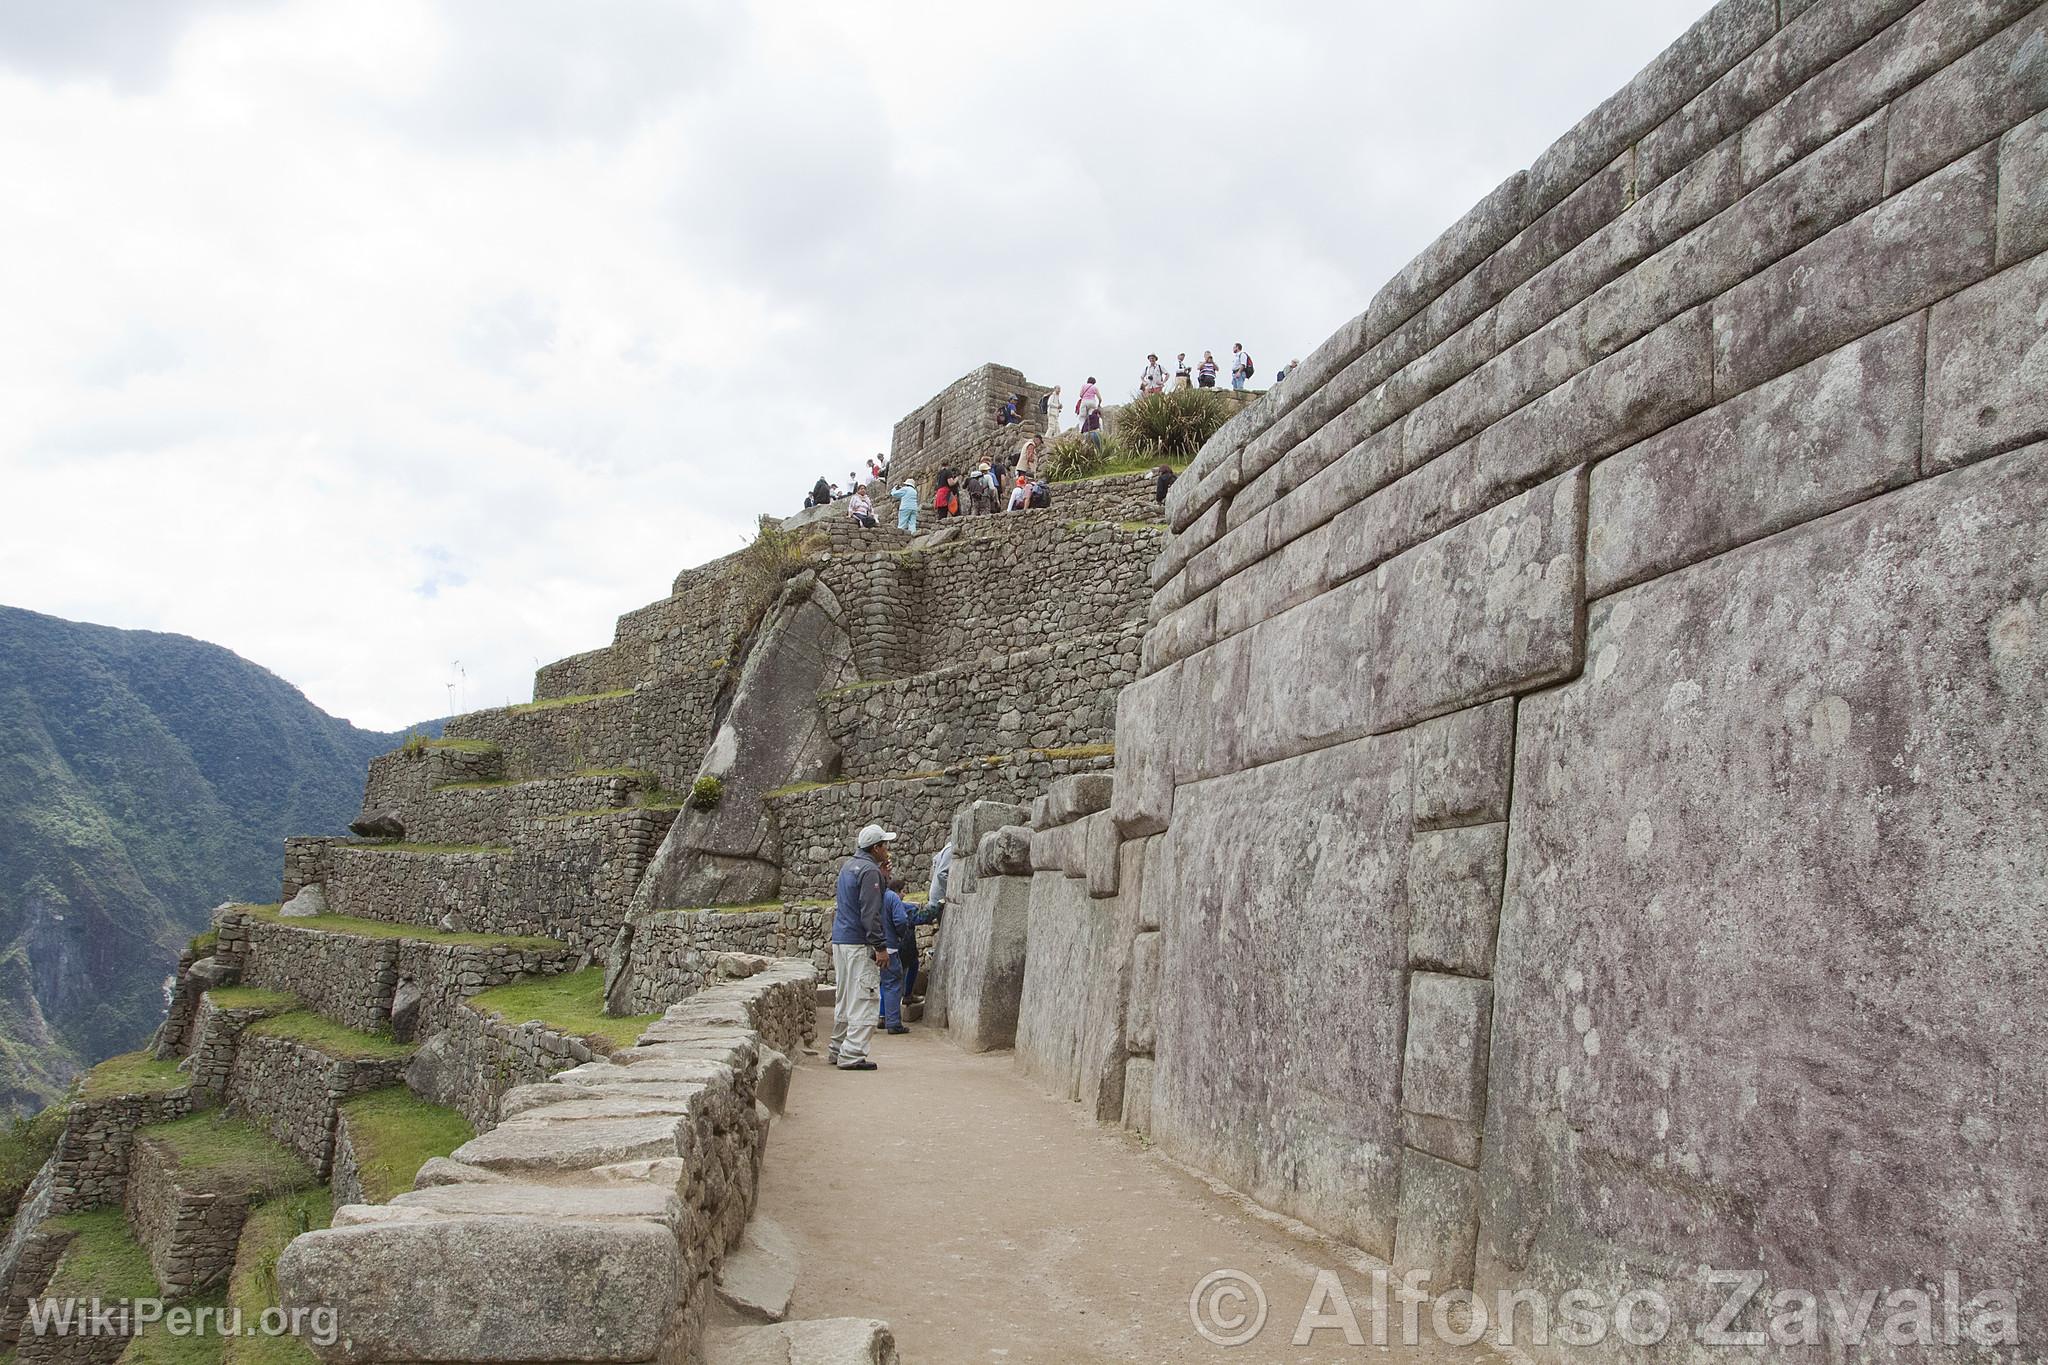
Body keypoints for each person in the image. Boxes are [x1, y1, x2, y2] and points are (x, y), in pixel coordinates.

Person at [829, 823, 896, 1070]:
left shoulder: (849, 867)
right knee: (865, 996)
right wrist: (880, 946)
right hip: (859, 942)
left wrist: (884, 878)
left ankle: (837, 1048)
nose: (887, 849)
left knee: (845, 997)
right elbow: (870, 911)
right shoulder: (869, 872)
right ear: (876, 848)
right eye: (884, 845)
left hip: (842, 939)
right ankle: (853, 1053)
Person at [878, 878, 940, 1033]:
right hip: (900, 947)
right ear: (897, 891)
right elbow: (914, 919)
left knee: (885, 983)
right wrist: (937, 908)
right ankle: (904, 1000)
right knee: (900, 976)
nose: (905, 894)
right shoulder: (900, 905)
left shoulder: (880, 901)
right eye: (903, 891)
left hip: (885, 946)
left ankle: (882, 1014)